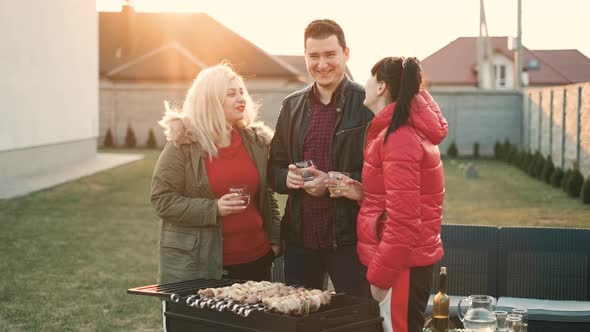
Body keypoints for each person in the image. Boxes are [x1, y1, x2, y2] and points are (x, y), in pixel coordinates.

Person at [268, 19, 374, 297]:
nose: (322, 64)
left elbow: (384, 177)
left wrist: (332, 183)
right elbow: (273, 170)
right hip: (300, 240)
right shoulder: (291, 106)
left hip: (350, 240)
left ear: (346, 54)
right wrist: (286, 178)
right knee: (301, 321)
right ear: (305, 57)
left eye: (330, 54)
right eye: (314, 56)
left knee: (355, 320)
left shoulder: (368, 104)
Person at [151, 63, 281, 284]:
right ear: (210, 100)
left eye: (242, 92)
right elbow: (162, 200)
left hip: (257, 260)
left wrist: (275, 243)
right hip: (205, 264)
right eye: (231, 94)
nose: (241, 98)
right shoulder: (183, 144)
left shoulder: (256, 142)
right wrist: (214, 208)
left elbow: (266, 198)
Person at [345, 57, 448, 332]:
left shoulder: (399, 138)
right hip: (404, 262)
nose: (364, 84)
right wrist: (363, 194)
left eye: (370, 77)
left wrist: (380, 277)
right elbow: (400, 200)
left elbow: (403, 220)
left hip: (400, 267)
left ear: (381, 87)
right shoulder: (404, 133)